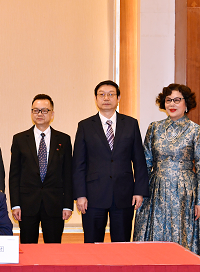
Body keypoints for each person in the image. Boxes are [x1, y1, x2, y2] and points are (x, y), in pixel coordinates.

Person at [73, 80, 149, 243]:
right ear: (96, 98)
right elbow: (79, 164)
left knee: (121, 244)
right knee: (93, 244)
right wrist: (80, 195)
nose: (106, 98)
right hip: (93, 196)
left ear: (118, 98)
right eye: (102, 94)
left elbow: (139, 161)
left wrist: (139, 191)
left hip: (124, 194)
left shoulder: (131, 124)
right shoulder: (85, 126)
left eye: (111, 94)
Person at [133, 84, 200, 253]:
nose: (172, 104)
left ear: (186, 103)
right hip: (156, 189)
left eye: (177, 100)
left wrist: (199, 200)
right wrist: (139, 191)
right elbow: (145, 163)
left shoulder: (195, 130)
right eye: (168, 100)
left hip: (184, 191)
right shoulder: (154, 127)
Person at [9, 94, 73, 243]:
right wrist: (15, 204)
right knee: (28, 247)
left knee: (53, 248)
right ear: (31, 113)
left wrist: (68, 205)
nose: (40, 114)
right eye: (36, 110)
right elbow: (14, 175)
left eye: (44, 110)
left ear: (52, 114)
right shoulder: (19, 139)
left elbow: (68, 174)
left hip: (55, 204)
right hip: (27, 204)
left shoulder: (63, 139)